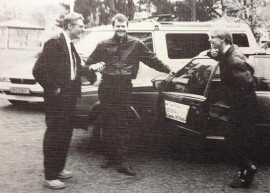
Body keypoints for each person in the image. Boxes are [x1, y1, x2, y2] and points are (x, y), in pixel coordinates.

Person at [86, 13, 174, 176]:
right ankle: (109, 157)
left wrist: (168, 70)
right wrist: (95, 73)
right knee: (107, 122)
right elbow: (89, 63)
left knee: (123, 123)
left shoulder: (136, 44)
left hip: (124, 86)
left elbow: (151, 59)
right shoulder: (103, 44)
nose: (120, 29)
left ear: (127, 27)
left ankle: (122, 161)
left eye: (123, 26)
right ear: (113, 26)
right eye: (117, 26)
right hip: (107, 86)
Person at [33, 12, 91, 189]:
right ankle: (50, 176)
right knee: (54, 135)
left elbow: (75, 69)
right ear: (70, 26)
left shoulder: (70, 44)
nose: (83, 28)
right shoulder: (55, 43)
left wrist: (93, 72)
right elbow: (39, 70)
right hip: (57, 99)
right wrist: (55, 89)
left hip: (70, 97)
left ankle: (59, 169)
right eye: (80, 26)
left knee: (65, 134)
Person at [208, 28, 258, 188]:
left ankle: (248, 169)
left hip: (243, 106)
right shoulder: (230, 52)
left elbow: (247, 85)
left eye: (213, 38)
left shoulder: (233, 60)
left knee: (232, 138)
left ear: (223, 40)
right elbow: (222, 58)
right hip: (241, 105)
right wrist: (213, 54)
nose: (210, 40)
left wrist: (232, 104)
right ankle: (244, 171)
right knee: (238, 139)